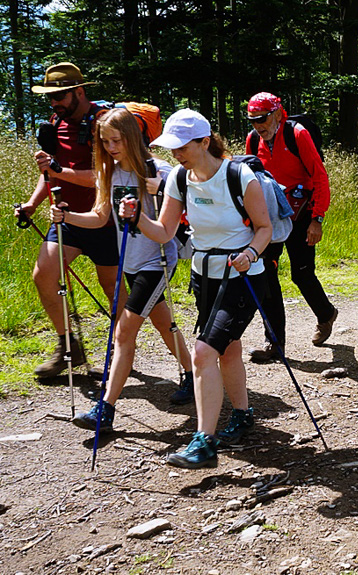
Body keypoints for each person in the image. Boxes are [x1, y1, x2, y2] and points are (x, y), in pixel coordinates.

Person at [119, 109, 271, 468]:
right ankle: (244, 414)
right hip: (205, 276)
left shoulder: (240, 175)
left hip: (244, 276)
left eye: (182, 146)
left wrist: (249, 253)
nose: (176, 154)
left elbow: (264, 228)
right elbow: (165, 232)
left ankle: (204, 442)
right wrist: (136, 217)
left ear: (205, 142)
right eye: (171, 147)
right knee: (228, 349)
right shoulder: (180, 179)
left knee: (204, 353)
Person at [48, 108, 194, 432]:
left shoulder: (158, 170)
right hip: (129, 262)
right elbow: (100, 217)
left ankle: (106, 409)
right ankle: (191, 373)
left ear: (131, 137)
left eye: (117, 140)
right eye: (106, 142)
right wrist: (67, 216)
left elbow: (172, 221)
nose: (112, 147)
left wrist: (148, 196)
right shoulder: (110, 173)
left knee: (123, 332)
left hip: (157, 262)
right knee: (162, 321)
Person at [15, 62, 124, 378]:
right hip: (65, 219)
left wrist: (59, 171)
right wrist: (33, 204)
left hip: (104, 220)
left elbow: (106, 178)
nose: (54, 103)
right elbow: (50, 172)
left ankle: (122, 344)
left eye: (59, 96)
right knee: (43, 276)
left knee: (111, 288)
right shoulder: (55, 123)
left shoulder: (105, 123)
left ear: (79, 91)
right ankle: (68, 347)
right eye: (50, 98)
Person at [243, 93, 337, 363]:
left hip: (302, 213)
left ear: (277, 114)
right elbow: (250, 178)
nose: (258, 126)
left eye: (261, 119)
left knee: (302, 275)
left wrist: (317, 218)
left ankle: (326, 314)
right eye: (252, 121)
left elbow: (319, 175)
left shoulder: (297, 134)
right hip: (270, 216)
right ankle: (274, 343)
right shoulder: (253, 140)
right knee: (267, 276)